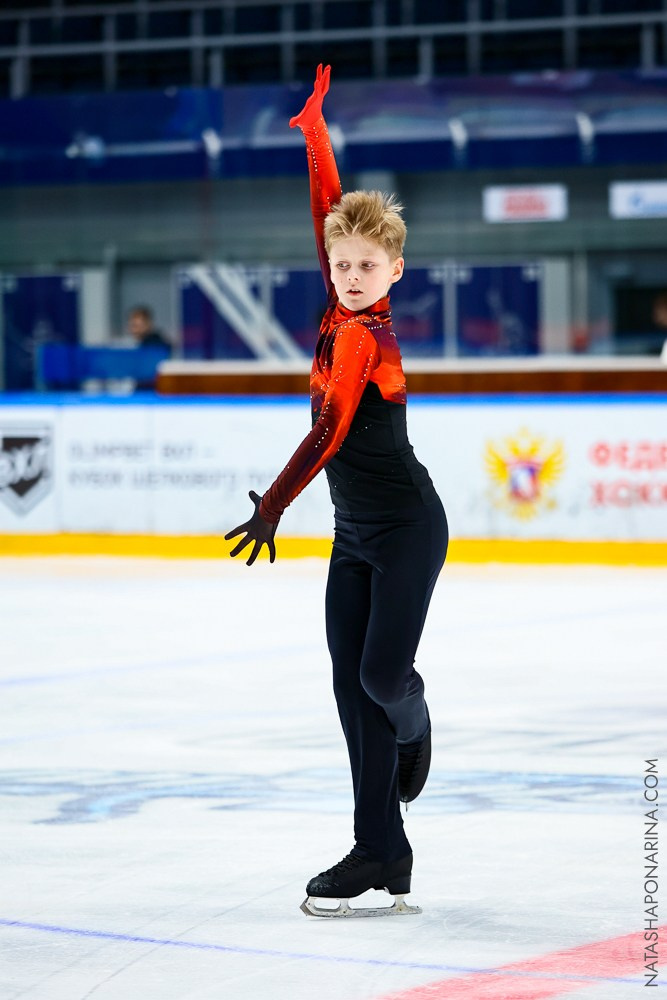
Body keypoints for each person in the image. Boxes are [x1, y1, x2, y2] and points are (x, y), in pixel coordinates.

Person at [225, 65, 448, 918]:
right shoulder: (333, 303)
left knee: (383, 679)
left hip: (406, 530)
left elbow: (325, 435)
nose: (350, 273)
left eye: (366, 264)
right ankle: (379, 849)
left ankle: (417, 721)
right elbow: (327, 202)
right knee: (346, 686)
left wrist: (273, 504)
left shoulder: (361, 339)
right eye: (340, 261)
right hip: (352, 534)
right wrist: (316, 130)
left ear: (394, 270)